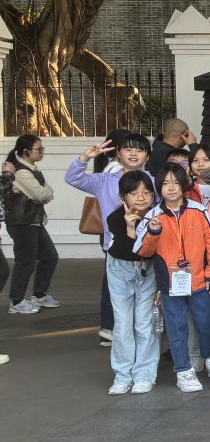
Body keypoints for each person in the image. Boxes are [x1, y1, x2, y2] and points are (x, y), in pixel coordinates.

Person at [135, 165, 210, 393]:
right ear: (159, 188)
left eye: (175, 183)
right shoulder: (153, 216)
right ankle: (183, 370)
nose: (170, 188)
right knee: (177, 327)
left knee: (207, 322)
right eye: (165, 183)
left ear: (184, 185)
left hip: (200, 280)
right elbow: (142, 251)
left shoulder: (198, 210)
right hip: (170, 284)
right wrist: (153, 232)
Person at [66, 134, 153, 346]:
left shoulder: (152, 181)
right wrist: (85, 158)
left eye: (139, 150)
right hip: (115, 246)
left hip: (147, 246)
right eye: (128, 149)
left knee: (145, 293)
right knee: (115, 290)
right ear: (118, 153)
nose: (133, 154)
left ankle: (140, 335)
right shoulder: (104, 180)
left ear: (147, 156)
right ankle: (112, 329)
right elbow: (73, 178)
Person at [104, 172, 161, 394]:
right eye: (134, 193)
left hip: (148, 271)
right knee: (122, 324)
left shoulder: (158, 216)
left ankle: (144, 375)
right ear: (123, 197)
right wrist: (129, 228)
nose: (141, 197)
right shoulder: (115, 218)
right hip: (120, 270)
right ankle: (122, 375)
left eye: (146, 192)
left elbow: (156, 252)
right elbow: (128, 251)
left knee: (145, 323)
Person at [3, 135, 58, 314]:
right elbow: (41, 194)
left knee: (49, 256)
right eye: (39, 149)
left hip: (34, 221)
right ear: (26, 151)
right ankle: (16, 301)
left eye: (42, 149)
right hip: (22, 223)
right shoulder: (21, 172)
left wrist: (42, 196)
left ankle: (39, 294)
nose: (42, 152)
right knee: (25, 261)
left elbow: (47, 192)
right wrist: (42, 196)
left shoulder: (31, 169)